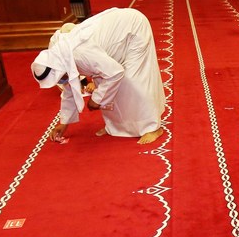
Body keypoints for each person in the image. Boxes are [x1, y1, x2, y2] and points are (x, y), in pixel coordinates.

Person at [31, 8, 166, 145]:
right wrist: (64, 123)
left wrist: (96, 99)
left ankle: (153, 128)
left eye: (59, 78)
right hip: (109, 43)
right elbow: (70, 88)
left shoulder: (80, 54)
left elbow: (115, 73)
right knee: (104, 83)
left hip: (133, 29)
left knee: (131, 80)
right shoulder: (57, 57)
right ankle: (116, 127)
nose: (61, 80)